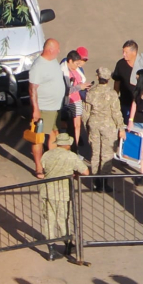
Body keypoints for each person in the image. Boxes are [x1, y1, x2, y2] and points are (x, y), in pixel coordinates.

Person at [39, 132, 90, 261]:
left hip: (47, 190)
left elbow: (42, 169)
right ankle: (67, 244)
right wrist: (75, 175)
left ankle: (51, 249)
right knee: (63, 219)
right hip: (63, 192)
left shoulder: (47, 154)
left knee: (49, 220)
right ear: (67, 144)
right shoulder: (71, 156)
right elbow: (85, 171)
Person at [85, 66, 126, 193]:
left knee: (95, 153)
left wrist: (87, 126)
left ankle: (96, 182)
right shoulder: (112, 94)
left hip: (94, 124)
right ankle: (104, 182)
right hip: (108, 126)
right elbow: (116, 113)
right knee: (107, 154)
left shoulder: (90, 92)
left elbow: (86, 113)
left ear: (98, 77)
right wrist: (121, 127)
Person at [29, 37, 63, 179]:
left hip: (55, 107)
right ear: (50, 50)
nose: (59, 51)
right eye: (56, 49)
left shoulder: (53, 60)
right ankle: (39, 167)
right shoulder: (38, 66)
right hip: (44, 108)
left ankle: (52, 164)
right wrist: (36, 109)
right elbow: (32, 89)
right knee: (38, 138)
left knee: (54, 133)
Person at [61, 48, 90, 147]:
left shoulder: (77, 70)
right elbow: (64, 90)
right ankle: (66, 147)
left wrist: (84, 86)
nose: (78, 65)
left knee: (77, 126)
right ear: (70, 61)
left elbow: (80, 81)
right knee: (67, 127)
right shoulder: (63, 71)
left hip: (77, 100)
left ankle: (75, 147)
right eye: (76, 63)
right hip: (66, 102)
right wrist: (79, 87)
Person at [112, 40, 139, 119]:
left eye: (126, 52)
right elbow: (117, 82)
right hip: (125, 102)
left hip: (140, 103)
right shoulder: (120, 64)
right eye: (123, 52)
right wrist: (115, 97)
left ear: (134, 53)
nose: (124, 54)